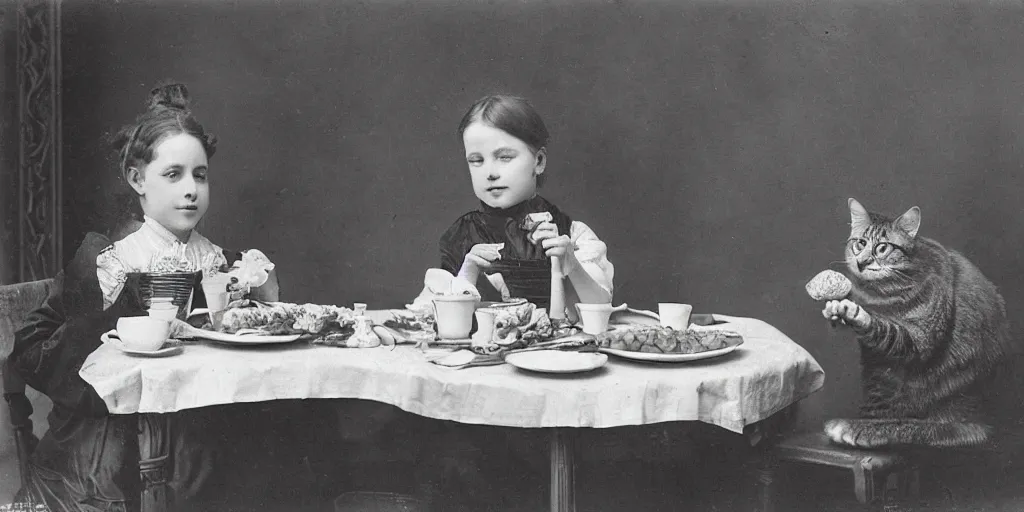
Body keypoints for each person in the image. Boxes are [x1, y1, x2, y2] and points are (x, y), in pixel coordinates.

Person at [8, 82, 284, 512]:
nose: (190, 189)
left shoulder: (222, 262)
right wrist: (109, 317)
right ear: (138, 180)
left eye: (200, 174)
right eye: (173, 175)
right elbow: (31, 349)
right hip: (109, 446)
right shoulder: (110, 260)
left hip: (199, 427)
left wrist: (257, 290)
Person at [425, 94, 614, 317]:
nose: (490, 173)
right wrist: (468, 272)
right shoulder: (460, 236)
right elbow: (432, 318)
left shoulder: (571, 234)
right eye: (476, 160)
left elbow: (601, 311)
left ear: (539, 161)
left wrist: (571, 263)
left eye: (504, 157)